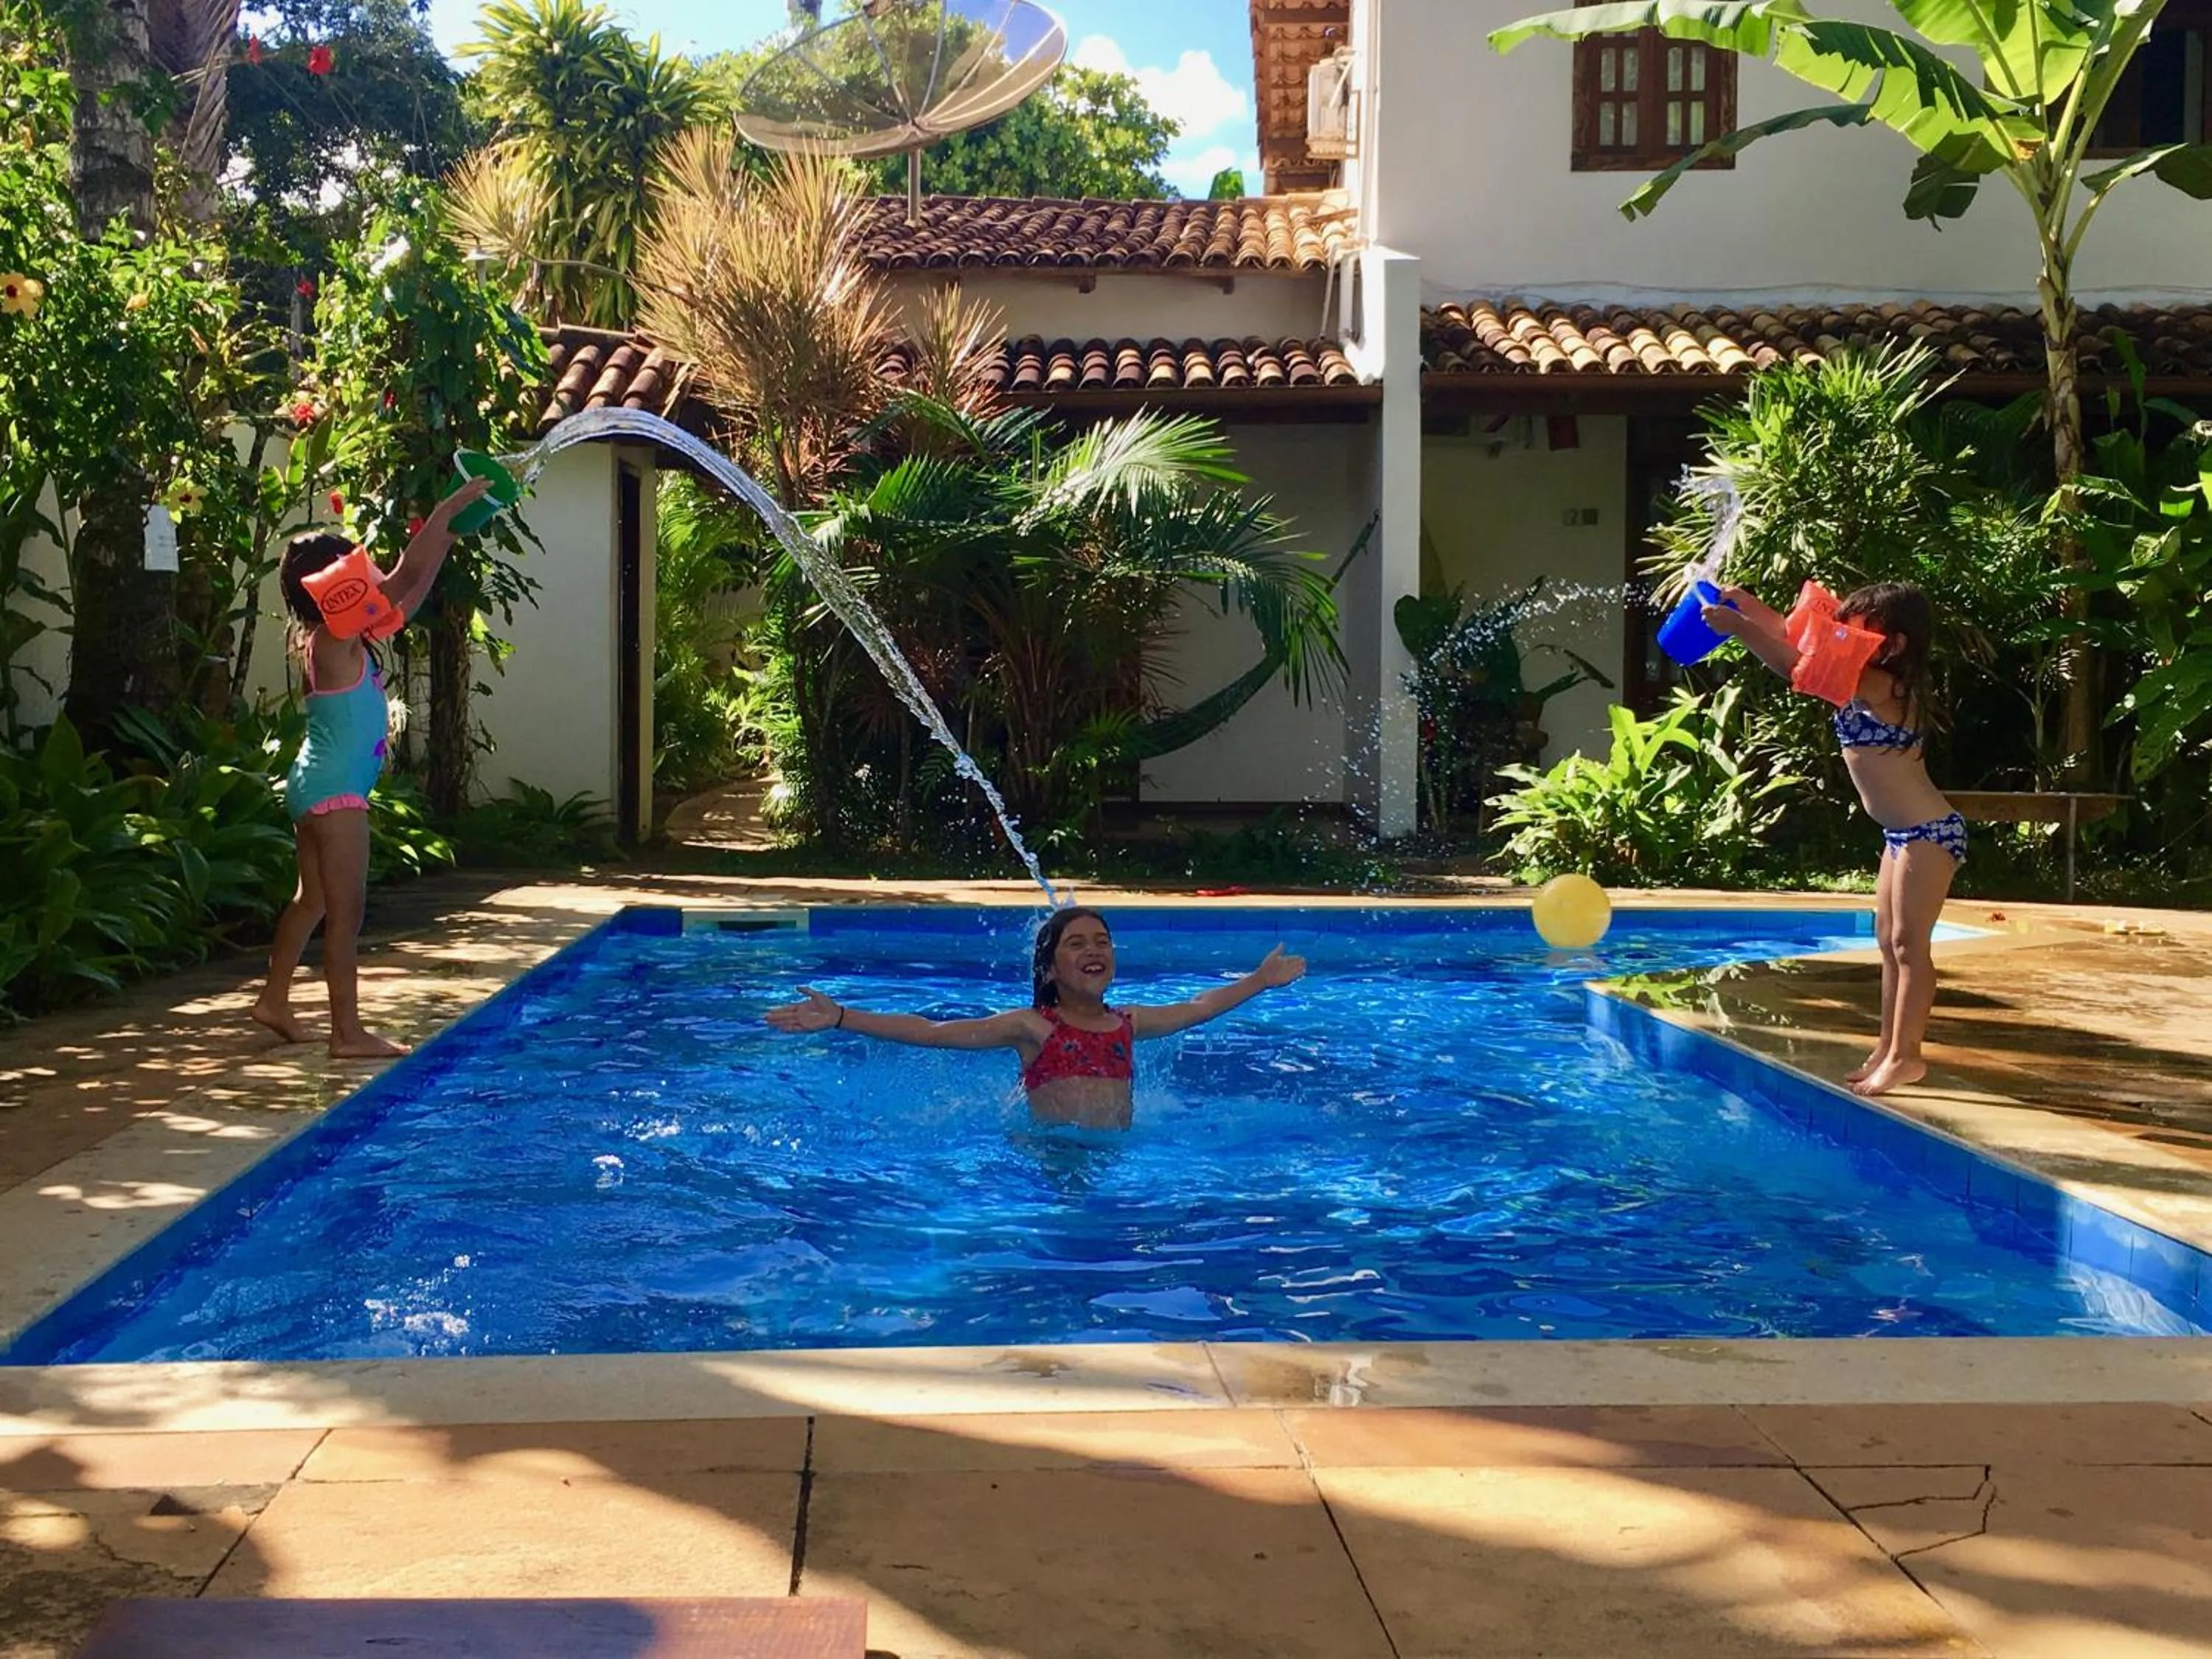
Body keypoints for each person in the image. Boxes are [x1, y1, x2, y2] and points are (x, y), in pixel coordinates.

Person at [249, 477, 491, 1057]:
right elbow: (402, 579)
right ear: (335, 588)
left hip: (317, 784)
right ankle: (346, 1033)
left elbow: (408, 594)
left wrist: (450, 534)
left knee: (313, 902)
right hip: (336, 795)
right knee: (345, 916)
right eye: (356, 573)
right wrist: (446, 507)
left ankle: (275, 1001)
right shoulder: (336, 639)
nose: (371, 578)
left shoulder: (332, 639)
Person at [1704, 580, 1959, 1097]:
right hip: (1901, 834)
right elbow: (1797, 637)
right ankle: (1888, 1049)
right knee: (1890, 945)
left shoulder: (1882, 683)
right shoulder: (1862, 672)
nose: (1843, 633)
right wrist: (1744, 603)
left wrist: (1739, 629)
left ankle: (1906, 1056)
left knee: (1911, 947)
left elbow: (1795, 666)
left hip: (1928, 833)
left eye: (1857, 626)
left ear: (1895, 642)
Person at [763, 906, 1307, 1129]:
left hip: (1114, 1153)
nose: (1094, 950)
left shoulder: (1128, 1023)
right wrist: (840, 1017)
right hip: (1050, 1156)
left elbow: (1195, 1009)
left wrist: (1258, 981)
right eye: (1077, 944)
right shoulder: (1033, 1027)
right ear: (1049, 968)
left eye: (1102, 941)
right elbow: (930, 1033)